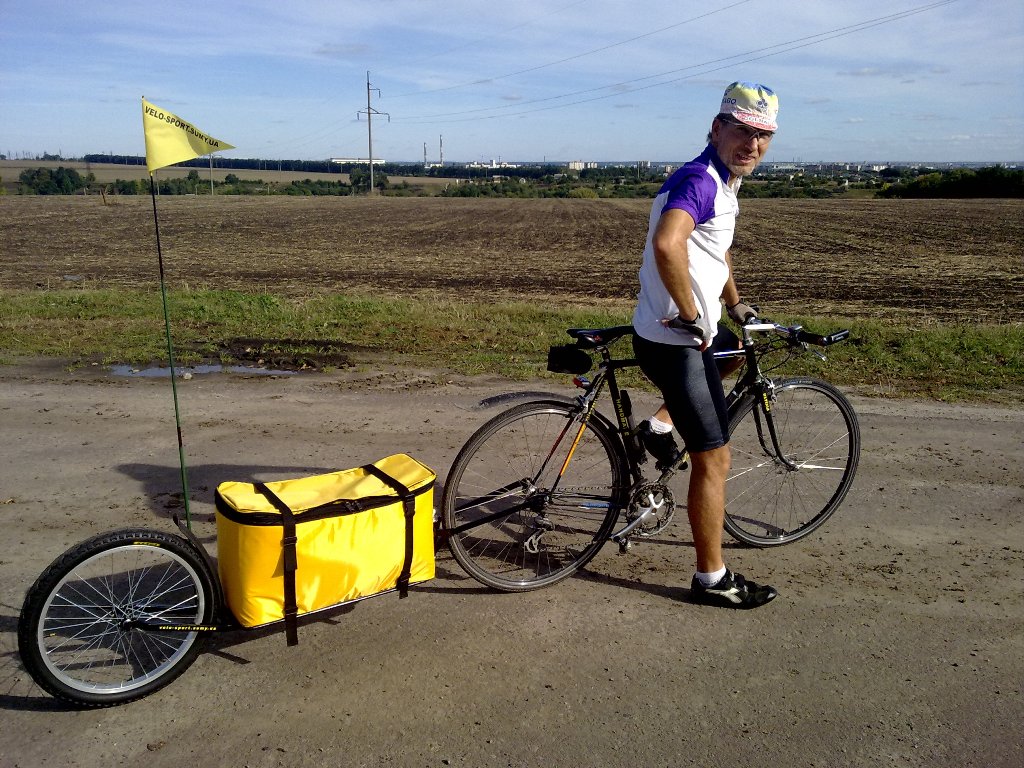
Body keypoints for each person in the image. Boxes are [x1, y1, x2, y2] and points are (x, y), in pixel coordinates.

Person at [630, 81, 779, 609]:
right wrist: (692, 315)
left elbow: (716, 252)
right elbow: (668, 243)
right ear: (717, 128)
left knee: (732, 353)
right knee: (714, 459)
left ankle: (658, 425)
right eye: (743, 131)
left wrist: (735, 306)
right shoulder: (702, 181)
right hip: (675, 343)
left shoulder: (719, 181)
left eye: (764, 135)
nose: (753, 145)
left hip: (674, 335)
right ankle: (712, 579)